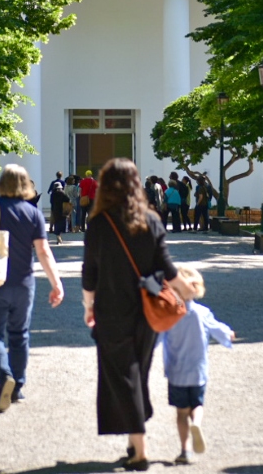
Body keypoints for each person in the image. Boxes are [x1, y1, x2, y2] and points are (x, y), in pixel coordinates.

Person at [82, 158, 189, 471]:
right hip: (148, 312)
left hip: (112, 311)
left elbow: (90, 273)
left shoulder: (99, 223)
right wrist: (189, 292)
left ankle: (139, 450)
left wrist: (89, 306)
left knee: (123, 376)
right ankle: (133, 440)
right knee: (137, 374)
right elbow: (167, 269)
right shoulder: (151, 220)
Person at [0, 164, 65, 412]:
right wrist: (56, 283)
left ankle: (4, 377)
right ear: (26, 185)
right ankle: (18, 387)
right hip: (23, 283)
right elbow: (43, 251)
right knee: (19, 334)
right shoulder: (33, 213)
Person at [160, 265, 234, 465]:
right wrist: (228, 334)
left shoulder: (169, 314)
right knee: (197, 404)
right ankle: (198, 423)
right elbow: (217, 329)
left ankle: (185, 450)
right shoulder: (202, 313)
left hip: (177, 372)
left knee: (181, 412)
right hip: (198, 371)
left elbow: (157, 336)